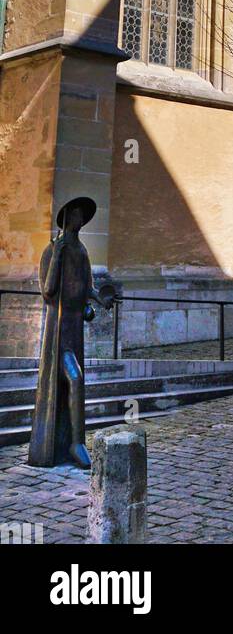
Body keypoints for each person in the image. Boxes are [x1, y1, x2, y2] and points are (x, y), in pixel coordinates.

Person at [27, 198, 116, 469]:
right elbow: (48, 291)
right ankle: (76, 443)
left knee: (76, 380)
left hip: (74, 329)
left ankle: (73, 442)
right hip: (59, 333)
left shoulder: (82, 251)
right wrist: (57, 254)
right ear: (67, 218)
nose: (80, 219)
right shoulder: (52, 251)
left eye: (82, 215)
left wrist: (100, 301)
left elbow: (87, 287)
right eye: (75, 214)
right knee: (74, 377)